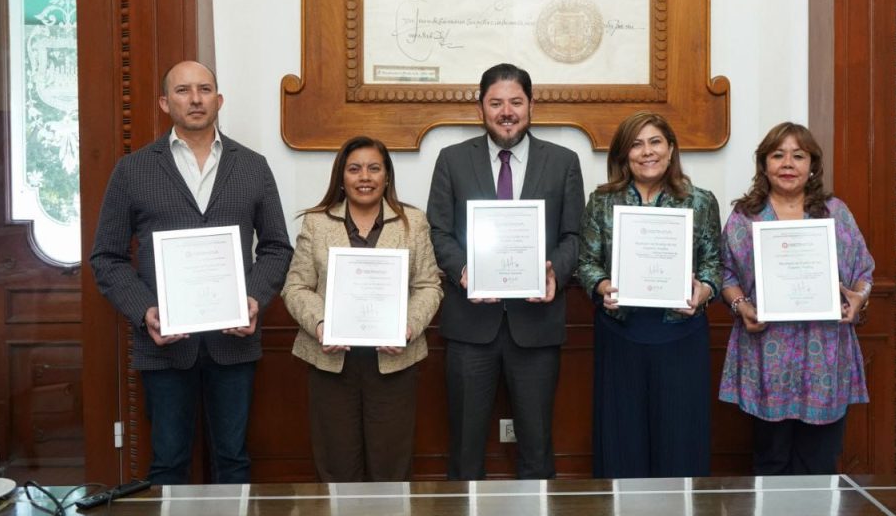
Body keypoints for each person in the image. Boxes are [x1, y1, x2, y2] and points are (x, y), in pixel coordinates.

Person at [90, 60, 293, 485]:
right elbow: (107, 256)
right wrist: (145, 311)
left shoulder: (253, 166)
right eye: (183, 91)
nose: (195, 99)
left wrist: (253, 299)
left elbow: (276, 247)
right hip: (164, 345)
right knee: (168, 462)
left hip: (233, 343)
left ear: (219, 100)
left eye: (204, 89)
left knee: (233, 460)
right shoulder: (133, 170)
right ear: (165, 103)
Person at [427, 62, 585, 480]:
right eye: (496, 103)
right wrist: (463, 269)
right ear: (480, 107)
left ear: (531, 105)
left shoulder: (563, 162)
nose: (507, 112)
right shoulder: (452, 160)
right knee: (465, 448)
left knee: (536, 445)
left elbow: (574, 235)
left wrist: (555, 272)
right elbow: (438, 231)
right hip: (470, 326)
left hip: (536, 325)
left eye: (516, 102)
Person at [281, 136, 442, 481]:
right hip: (331, 363)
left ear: (387, 176)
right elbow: (295, 287)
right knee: (337, 468)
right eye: (354, 169)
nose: (364, 177)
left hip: (394, 362)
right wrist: (321, 324)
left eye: (374, 168)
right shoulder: (317, 223)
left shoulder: (413, 222)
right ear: (341, 177)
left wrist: (407, 327)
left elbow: (429, 286)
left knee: (391, 468)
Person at [718, 121, 874, 475]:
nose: (788, 163)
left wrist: (858, 298)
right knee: (771, 461)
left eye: (798, 156)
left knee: (818, 463)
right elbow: (725, 273)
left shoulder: (835, 212)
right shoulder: (745, 217)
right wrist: (741, 306)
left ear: (812, 165)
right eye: (778, 155)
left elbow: (864, 271)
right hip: (767, 354)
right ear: (764, 164)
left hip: (825, 355)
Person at [576, 110, 721, 478]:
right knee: (623, 440)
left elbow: (713, 264)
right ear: (624, 154)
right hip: (621, 332)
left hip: (681, 333)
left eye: (655, 142)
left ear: (670, 149)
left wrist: (703, 290)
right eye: (636, 144)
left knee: (680, 439)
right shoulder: (602, 201)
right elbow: (586, 262)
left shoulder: (700, 201)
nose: (647, 152)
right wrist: (602, 286)